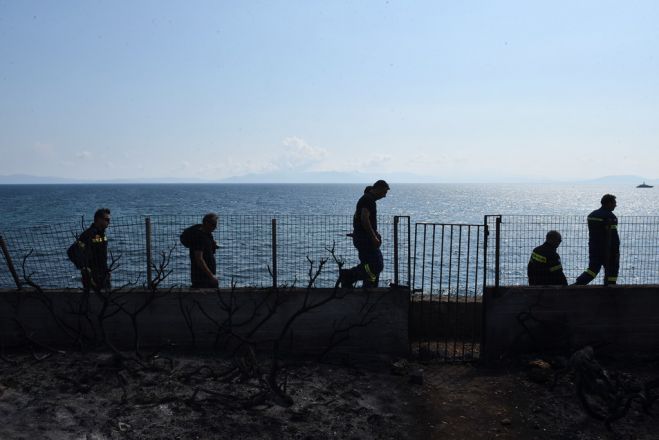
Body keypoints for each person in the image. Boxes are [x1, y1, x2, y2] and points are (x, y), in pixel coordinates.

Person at [340, 180, 390, 288]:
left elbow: (359, 220)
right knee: (377, 265)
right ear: (379, 188)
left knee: (369, 265)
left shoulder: (367, 200)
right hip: (366, 240)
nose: (385, 196)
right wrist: (373, 237)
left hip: (362, 238)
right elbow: (364, 219)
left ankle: (369, 286)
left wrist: (374, 233)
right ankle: (348, 275)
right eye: (384, 192)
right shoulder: (368, 200)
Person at [575, 194, 620, 285]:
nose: (615, 205)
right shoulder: (611, 217)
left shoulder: (592, 215)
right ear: (608, 203)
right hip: (608, 250)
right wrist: (616, 251)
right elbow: (613, 237)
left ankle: (578, 284)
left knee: (593, 269)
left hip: (594, 248)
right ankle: (611, 288)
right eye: (614, 203)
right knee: (612, 270)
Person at [73, 208, 111, 292]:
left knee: (107, 302)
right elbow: (72, 251)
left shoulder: (101, 234)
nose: (109, 222)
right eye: (106, 219)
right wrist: (83, 267)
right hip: (92, 277)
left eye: (109, 220)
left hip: (104, 275)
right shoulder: (89, 234)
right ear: (99, 219)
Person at [183, 213, 219, 288]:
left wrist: (212, 246)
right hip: (202, 278)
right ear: (206, 223)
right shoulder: (199, 237)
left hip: (206, 276)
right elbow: (199, 259)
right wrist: (211, 276)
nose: (215, 227)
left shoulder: (207, 234)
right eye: (213, 224)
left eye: (215, 224)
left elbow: (208, 252)